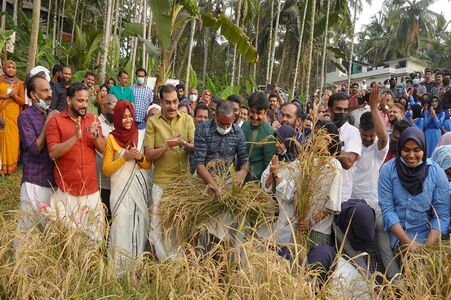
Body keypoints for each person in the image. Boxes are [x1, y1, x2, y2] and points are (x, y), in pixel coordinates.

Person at [350, 85, 400, 279]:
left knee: (385, 251)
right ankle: (367, 283)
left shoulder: (378, 150)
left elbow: (382, 136)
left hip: (374, 207)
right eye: (365, 135)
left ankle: (399, 286)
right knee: (360, 251)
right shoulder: (353, 146)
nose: (369, 138)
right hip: (353, 208)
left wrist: (373, 108)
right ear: (359, 130)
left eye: (372, 135)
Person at [46, 83, 106, 243]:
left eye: (86, 101)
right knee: (68, 240)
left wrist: (95, 135)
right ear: (68, 100)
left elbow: (104, 149)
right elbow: (52, 153)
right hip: (67, 191)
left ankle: (89, 268)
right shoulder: (56, 121)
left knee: (94, 239)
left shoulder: (93, 119)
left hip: (91, 190)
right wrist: (75, 137)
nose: (84, 105)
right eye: (79, 101)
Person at [143, 84, 195, 259]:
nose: (172, 106)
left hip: (183, 185)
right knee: (158, 226)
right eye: (168, 102)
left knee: (179, 225)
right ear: (161, 102)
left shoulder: (187, 120)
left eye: (175, 102)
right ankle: (162, 265)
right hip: (162, 183)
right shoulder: (153, 122)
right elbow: (148, 154)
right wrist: (165, 147)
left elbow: (195, 148)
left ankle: (177, 264)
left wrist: (182, 144)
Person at [378, 127, 449, 252]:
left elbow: (441, 215)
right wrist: (407, 243)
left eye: (417, 150)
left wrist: (427, 248)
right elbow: (388, 210)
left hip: (427, 236)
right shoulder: (388, 170)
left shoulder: (436, 173)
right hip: (397, 236)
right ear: (400, 149)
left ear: (424, 149)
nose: (411, 155)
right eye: (406, 150)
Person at [102, 100, 152, 273]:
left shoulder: (140, 134)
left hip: (138, 190)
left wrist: (139, 157)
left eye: (130, 116)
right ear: (117, 117)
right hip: (120, 192)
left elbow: (147, 166)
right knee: (121, 225)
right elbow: (107, 169)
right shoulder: (111, 138)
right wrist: (124, 158)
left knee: (139, 224)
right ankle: (118, 269)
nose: (128, 120)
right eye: (123, 117)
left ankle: (136, 267)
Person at [194, 100, 249, 241]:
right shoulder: (203, 129)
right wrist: (214, 186)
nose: (225, 127)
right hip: (202, 183)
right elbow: (199, 164)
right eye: (222, 124)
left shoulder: (238, 133)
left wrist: (242, 172)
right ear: (215, 117)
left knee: (221, 233)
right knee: (200, 229)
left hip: (226, 184)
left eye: (228, 124)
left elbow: (244, 160)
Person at [15, 75, 58, 240]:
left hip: (51, 182)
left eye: (50, 90)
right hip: (33, 181)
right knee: (26, 232)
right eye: (45, 90)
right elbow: (34, 148)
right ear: (33, 95)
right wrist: (48, 122)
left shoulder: (51, 114)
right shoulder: (25, 117)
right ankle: (22, 266)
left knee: (48, 232)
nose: (49, 94)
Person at [328, 92, 361, 202]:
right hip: (321, 192)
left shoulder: (353, 132)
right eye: (338, 109)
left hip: (341, 196)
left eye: (345, 110)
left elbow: (348, 162)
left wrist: (327, 147)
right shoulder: (321, 130)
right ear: (330, 109)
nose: (342, 113)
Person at [241, 91, 276, 181]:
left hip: (256, 182)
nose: (255, 117)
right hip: (239, 177)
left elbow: (269, 166)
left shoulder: (269, 133)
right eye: (252, 112)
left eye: (259, 113)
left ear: (265, 112)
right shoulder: (245, 125)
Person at [0, 60, 25, 175]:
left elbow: (22, 101)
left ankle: (10, 168)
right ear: (4, 68)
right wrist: (4, 96)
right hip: (1, 115)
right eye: (8, 67)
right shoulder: (0, 80)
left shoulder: (20, 83)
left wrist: (14, 96)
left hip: (13, 117)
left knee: (13, 140)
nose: (11, 69)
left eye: (13, 67)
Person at [97, 94, 117, 221]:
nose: (115, 108)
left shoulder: (119, 124)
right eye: (112, 104)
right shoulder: (96, 123)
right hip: (101, 181)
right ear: (103, 107)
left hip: (116, 182)